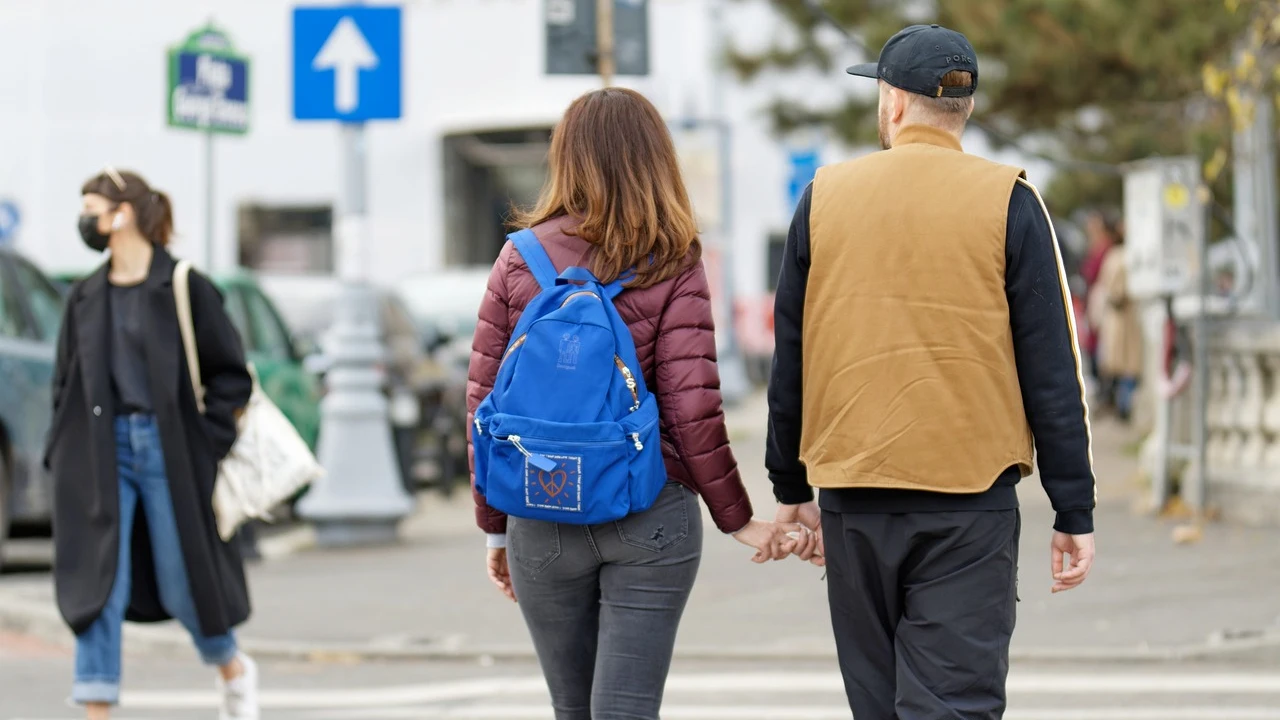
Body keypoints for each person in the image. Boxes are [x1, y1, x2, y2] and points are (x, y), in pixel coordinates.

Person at [766, 25, 1097, 720]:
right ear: (964, 109)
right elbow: (1051, 368)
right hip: (968, 501)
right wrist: (1075, 508)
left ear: (891, 102)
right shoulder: (1009, 200)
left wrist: (789, 484)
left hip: (854, 496)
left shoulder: (824, 198)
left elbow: (792, 352)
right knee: (953, 703)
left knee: (878, 706)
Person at [467, 88, 797, 720]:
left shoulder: (519, 258)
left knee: (572, 707)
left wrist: (494, 529)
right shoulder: (676, 259)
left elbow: (483, 403)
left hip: (542, 507)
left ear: (565, 157)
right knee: (627, 708)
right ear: (657, 159)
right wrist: (739, 519)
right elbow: (691, 408)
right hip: (651, 511)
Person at [45, 168, 258, 720]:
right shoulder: (85, 296)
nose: (86, 219)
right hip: (101, 451)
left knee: (182, 579)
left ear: (125, 213)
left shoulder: (185, 286)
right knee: (100, 585)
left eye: (93, 207)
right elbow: (65, 384)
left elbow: (231, 375)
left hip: (171, 451)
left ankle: (231, 667)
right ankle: (97, 707)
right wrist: (61, 453)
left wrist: (204, 442)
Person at [1091, 225, 1143, 422]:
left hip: (1118, 316)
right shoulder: (1125, 257)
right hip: (1124, 316)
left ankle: (1120, 404)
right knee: (1126, 365)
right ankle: (1122, 405)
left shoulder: (1113, 257)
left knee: (1119, 364)